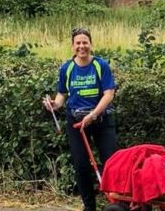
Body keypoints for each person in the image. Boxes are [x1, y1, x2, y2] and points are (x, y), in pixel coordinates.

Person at [44, 27, 118, 211]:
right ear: (72, 46)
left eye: (85, 42)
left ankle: (119, 204)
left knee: (111, 163)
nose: (81, 46)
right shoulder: (67, 68)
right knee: (81, 165)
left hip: (101, 121)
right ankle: (89, 207)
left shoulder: (101, 65)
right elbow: (62, 94)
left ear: (91, 45)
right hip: (76, 123)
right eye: (78, 43)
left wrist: (93, 116)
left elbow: (109, 94)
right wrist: (55, 104)